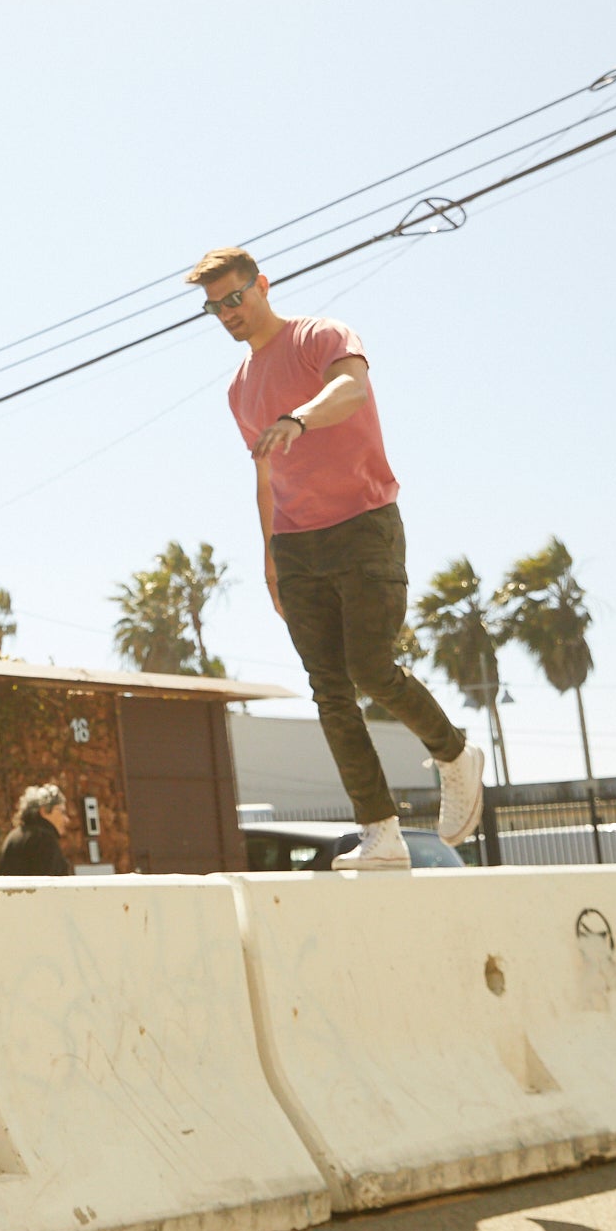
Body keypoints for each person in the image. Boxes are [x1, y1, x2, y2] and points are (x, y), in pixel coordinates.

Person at [190, 246, 484, 871]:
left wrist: (298, 418)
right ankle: (381, 833)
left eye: (234, 299)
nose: (226, 314)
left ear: (262, 286)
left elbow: (351, 390)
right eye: (213, 308)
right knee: (329, 691)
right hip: (297, 545)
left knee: (371, 668)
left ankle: (455, 754)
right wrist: (270, 557)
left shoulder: (319, 336)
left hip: (363, 525)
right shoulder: (239, 389)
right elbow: (265, 476)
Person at [0, 783, 75, 876]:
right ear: (44, 811)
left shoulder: (13, 837)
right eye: (62, 812)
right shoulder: (44, 840)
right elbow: (51, 886)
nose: (66, 819)